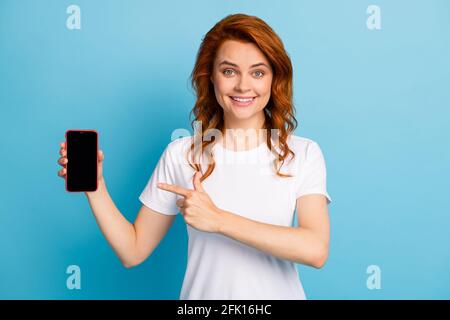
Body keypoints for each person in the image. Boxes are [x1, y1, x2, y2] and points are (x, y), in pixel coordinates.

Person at [57, 13, 331, 300]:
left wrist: (218, 220)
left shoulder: (303, 153)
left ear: (274, 78)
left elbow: (315, 249)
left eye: (258, 72)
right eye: (229, 71)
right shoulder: (183, 154)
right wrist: (95, 187)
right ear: (210, 76)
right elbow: (133, 250)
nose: (243, 86)